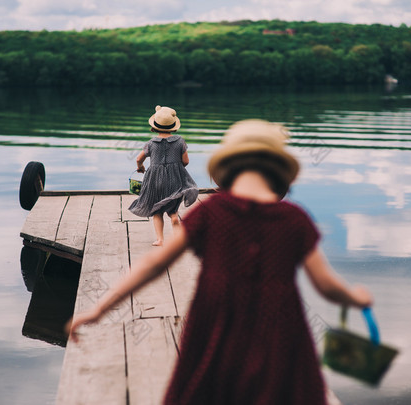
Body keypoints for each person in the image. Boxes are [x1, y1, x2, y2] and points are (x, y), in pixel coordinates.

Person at [67, 119, 373, 404]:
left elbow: (153, 265)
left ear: (226, 168)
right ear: (280, 172)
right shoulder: (294, 220)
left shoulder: (211, 213)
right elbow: (327, 286)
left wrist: (98, 309)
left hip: (214, 327)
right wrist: (356, 298)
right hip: (281, 329)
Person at [128, 105, 199, 246]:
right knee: (173, 210)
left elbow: (138, 159)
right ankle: (175, 226)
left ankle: (160, 239)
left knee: (157, 211)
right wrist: (176, 168)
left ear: (154, 127)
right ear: (174, 126)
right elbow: (186, 161)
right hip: (175, 180)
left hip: (155, 180)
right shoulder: (180, 141)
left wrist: (140, 167)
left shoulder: (151, 144)